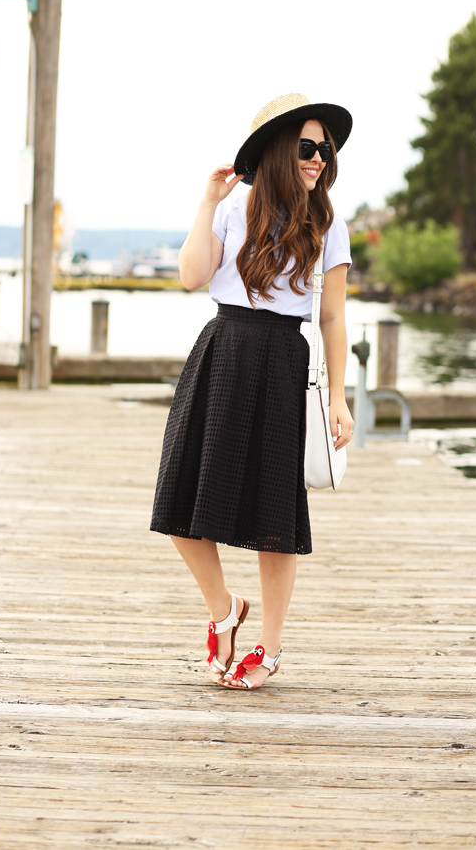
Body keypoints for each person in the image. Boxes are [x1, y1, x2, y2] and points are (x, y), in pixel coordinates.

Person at [150, 93, 354, 690]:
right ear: (275, 151)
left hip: (285, 362)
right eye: (305, 147)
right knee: (179, 501)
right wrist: (207, 200)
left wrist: (338, 396)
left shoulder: (328, 222)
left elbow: (334, 319)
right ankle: (223, 611)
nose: (317, 158)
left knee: (275, 517)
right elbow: (192, 276)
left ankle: (268, 647)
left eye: (324, 149)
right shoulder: (232, 208)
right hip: (222, 351)